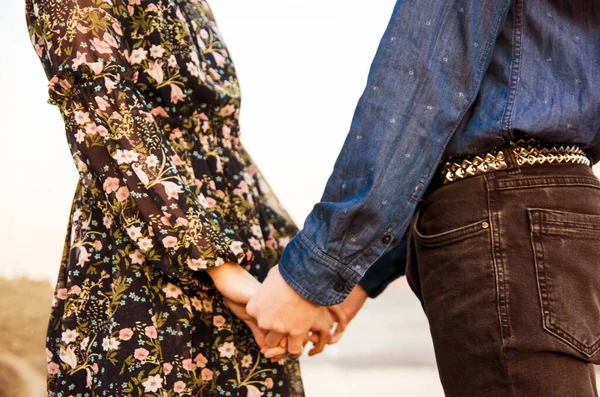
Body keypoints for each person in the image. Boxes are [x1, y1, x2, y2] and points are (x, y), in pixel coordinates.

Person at [248, 1, 600, 396]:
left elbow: (424, 78)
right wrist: (362, 274)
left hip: (504, 225)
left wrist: (311, 274)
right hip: (562, 212)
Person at [25, 0, 346, 395]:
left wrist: (300, 275)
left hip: (243, 269)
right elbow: (103, 111)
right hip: (144, 262)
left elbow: (224, 148)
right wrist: (219, 267)